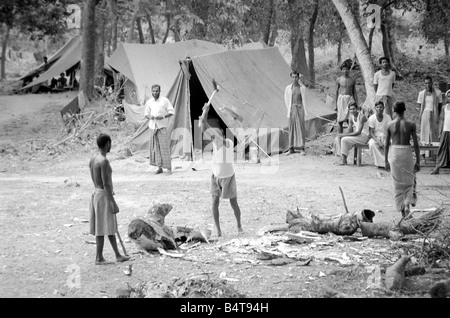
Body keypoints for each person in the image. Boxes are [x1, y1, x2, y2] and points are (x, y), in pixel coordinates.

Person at [199, 103, 244, 237]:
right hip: (216, 175)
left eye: (217, 132)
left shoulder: (228, 143)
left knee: (233, 202)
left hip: (228, 176)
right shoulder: (215, 142)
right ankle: (218, 229)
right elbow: (203, 128)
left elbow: (206, 127)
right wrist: (205, 112)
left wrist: (205, 121)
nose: (215, 135)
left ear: (223, 134)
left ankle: (239, 225)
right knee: (214, 201)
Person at [89, 133, 130, 265]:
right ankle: (99, 257)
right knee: (103, 226)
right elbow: (106, 184)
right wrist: (113, 202)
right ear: (107, 144)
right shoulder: (104, 161)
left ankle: (118, 255)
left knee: (107, 225)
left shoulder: (93, 159)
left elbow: (94, 179)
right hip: (104, 195)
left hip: (96, 193)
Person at [385, 101, 420, 218]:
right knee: (410, 180)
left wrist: (385, 160)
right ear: (404, 110)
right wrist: (418, 161)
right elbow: (415, 144)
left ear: (394, 111)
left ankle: (402, 212)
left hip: (394, 152)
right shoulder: (411, 124)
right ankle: (407, 204)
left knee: (397, 182)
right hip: (406, 152)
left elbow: (386, 144)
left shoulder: (390, 124)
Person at [144, 84, 175, 175]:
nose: (155, 93)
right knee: (155, 147)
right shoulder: (149, 102)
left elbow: (171, 111)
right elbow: (146, 113)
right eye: (153, 91)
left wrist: (163, 116)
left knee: (164, 147)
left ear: (160, 91)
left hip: (161, 127)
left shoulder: (165, 100)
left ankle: (169, 168)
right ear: (151, 91)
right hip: (152, 126)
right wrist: (150, 116)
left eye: (157, 91)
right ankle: (159, 167)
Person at [284, 70, 307, 155]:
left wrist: (302, 108)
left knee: (301, 127)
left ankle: (302, 148)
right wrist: (289, 108)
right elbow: (286, 99)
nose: (294, 79)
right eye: (293, 77)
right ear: (291, 78)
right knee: (291, 127)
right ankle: (291, 148)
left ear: (298, 77)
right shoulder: (288, 88)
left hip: (300, 108)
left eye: (296, 77)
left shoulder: (302, 88)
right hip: (292, 108)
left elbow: (304, 100)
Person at [417, 76, 442, 151]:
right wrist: (421, 116)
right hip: (425, 115)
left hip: (434, 115)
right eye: (426, 83)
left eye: (429, 83)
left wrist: (436, 117)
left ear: (432, 83)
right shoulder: (421, 93)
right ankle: (424, 153)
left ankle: (434, 153)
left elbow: (439, 107)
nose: (427, 85)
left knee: (433, 134)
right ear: (424, 84)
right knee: (425, 134)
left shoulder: (438, 93)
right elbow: (420, 107)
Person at [335, 62, 359, 133]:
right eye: (344, 69)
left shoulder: (352, 80)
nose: (345, 71)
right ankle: (340, 137)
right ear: (341, 70)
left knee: (350, 119)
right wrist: (335, 104)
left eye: (347, 69)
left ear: (349, 70)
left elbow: (354, 92)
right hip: (341, 99)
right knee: (340, 120)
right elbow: (336, 91)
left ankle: (350, 137)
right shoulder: (339, 79)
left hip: (350, 99)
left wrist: (357, 103)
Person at [430, 89, 450, 175]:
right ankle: (437, 168)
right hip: (445, 131)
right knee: (441, 150)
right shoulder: (444, 107)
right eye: (449, 96)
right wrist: (439, 133)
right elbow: (442, 120)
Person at [368, 100, 392, 169]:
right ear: (375, 108)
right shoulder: (372, 118)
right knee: (372, 144)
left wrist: (388, 139)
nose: (379, 109)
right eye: (377, 107)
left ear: (383, 108)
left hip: (385, 136)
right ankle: (381, 163)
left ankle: (389, 162)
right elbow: (371, 132)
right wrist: (378, 141)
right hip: (375, 137)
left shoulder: (387, 117)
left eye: (381, 107)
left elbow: (390, 129)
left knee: (391, 143)